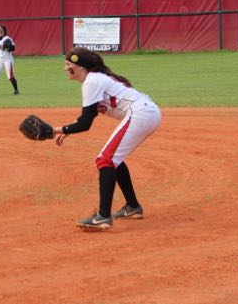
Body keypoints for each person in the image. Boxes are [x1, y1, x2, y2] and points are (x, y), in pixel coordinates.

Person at [52, 47, 161, 231]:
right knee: (113, 160)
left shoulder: (92, 81)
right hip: (146, 112)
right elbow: (88, 116)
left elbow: (85, 123)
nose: (65, 68)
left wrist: (53, 130)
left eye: (68, 64)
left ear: (80, 67)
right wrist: (69, 129)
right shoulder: (95, 80)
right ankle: (132, 207)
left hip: (140, 113)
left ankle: (103, 216)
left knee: (105, 159)